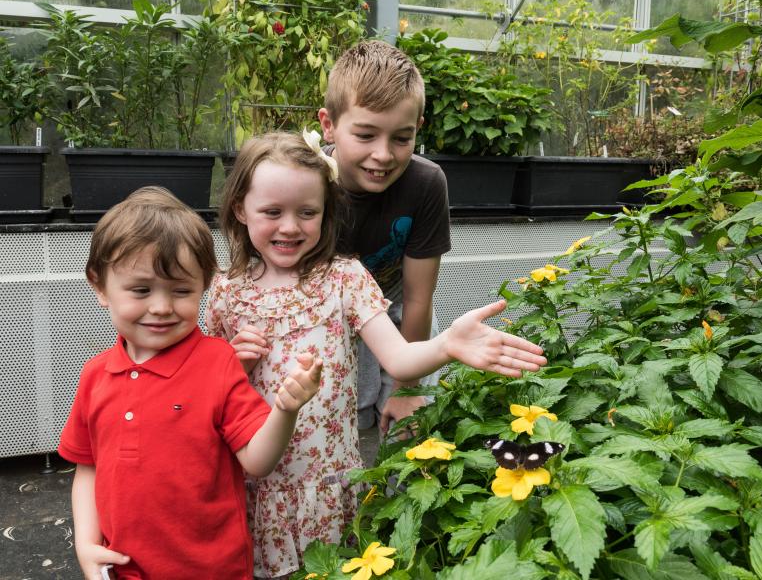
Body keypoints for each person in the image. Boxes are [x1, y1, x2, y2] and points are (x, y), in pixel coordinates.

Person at [206, 131, 547, 578]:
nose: (290, 226)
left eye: (307, 212)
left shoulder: (345, 278)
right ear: (239, 209)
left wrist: (447, 345)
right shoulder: (226, 292)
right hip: (254, 487)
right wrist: (233, 366)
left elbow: (398, 359)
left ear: (325, 212)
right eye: (272, 212)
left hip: (327, 487)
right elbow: (207, 391)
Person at [58, 187, 322, 579]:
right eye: (141, 290)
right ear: (99, 286)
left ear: (203, 286)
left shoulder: (217, 363)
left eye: (181, 290)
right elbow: (88, 468)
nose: (162, 307)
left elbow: (257, 460)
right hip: (125, 570)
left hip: (215, 569)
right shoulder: (95, 375)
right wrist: (86, 544)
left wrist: (285, 409)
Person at [318, 39, 449, 435]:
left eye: (400, 138)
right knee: (344, 423)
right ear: (329, 125)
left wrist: (406, 387)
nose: (383, 155)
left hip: (399, 316)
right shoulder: (307, 182)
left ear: (417, 130)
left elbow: (417, 298)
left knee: (409, 424)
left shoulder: (426, 184)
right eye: (365, 135)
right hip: (330, 319)